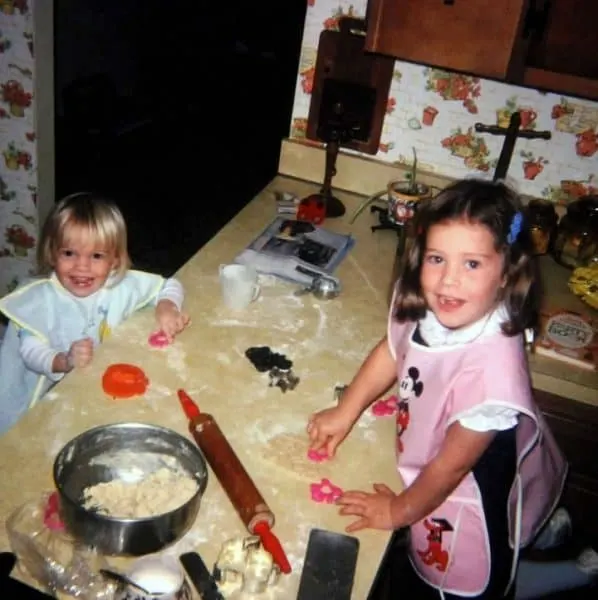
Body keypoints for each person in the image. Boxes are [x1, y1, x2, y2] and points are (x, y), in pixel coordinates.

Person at [307, 179, 597, 598]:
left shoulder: (490, 375)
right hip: (441, 461)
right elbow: (394, 348)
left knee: (480, 577)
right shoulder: (433, 305)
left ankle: (572, 574)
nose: (448, 281)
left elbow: (450, 469)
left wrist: (397, 511)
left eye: (472, 264)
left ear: (506, 273)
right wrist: (345, 410)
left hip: (469, 489)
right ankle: (549, 546)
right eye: (437, 258)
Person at [0, 192, 190, 434]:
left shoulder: (118, 285)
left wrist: (167, 307)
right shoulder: (38, 300)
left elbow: (169, 285)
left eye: (97, 256)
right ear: (51, 253)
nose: (82, 266)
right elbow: (31, 352)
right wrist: (64, 360)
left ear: (114, 261)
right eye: (69, 253)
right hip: (41, 391)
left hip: (90, 380)